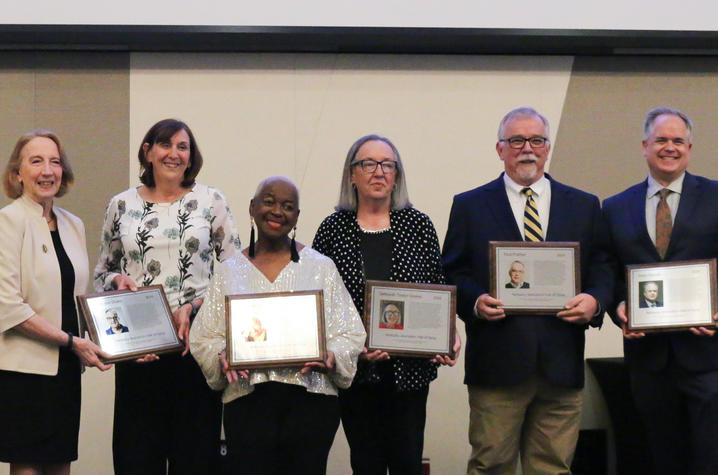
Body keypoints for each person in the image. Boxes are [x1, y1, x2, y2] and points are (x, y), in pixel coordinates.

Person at [441, 107, 612, 474]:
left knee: (552, 468)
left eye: (536, 140)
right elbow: (452, 270)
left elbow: (602, 267)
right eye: (516, 140)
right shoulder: (469, 205)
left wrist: (595, 301)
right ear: (499, 148)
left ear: (548, 148)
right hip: (497, 364)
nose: (527, 149)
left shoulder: (583, 205)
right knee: (491, 465)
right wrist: (475, 302)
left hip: (561, 364)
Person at [190, 176, 365, 474]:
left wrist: (332, 355)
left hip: (311, 401)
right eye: (269, 201)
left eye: (288, 206)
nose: (277, 211)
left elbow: (349, 331)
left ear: (297, 216)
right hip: (247, 402)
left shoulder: (320, 266)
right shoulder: (229, 272)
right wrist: (222, 356)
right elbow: (204, 336)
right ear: (253, 207)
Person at [94, 119, 241, 474]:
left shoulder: (211, 200)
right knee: (136, 457)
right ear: (148, 151)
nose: (174, 154)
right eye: (165, 145)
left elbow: (235, 274)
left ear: (191, 157)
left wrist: (194, 306)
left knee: (194, 457)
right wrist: (118, 282)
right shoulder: (121, 204)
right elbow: (101, 274)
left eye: (182, 147)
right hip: (139, 353)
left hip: (196, 347)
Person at [312, 134, 461, 474]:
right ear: (352, 174)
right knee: (366, 463)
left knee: (407, 462)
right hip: (357, 372)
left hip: (409, 372)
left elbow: (437, 288)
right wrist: (351, 347)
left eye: (387, 164)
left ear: (396, 175)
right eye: (368, 163)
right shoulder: (333, 230)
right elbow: (322, 304)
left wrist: (448, 333)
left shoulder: (418, 225)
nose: (379, 171)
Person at [603, 107, 718, 474]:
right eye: (661, 140)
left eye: (678, 141)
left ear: (690, 147)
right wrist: (619, 306)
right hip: (648, 358)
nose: (670, 147)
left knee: (709, 456)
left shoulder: (716, 196)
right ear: (645, 146)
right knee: (660, 456)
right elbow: (608, 270)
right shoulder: (615, 207)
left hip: (707, 355)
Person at [0, 130, 111, 474]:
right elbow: (8, 307)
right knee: (29, 466)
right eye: (36, 161)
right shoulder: (7, 222)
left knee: (61, 463)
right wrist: (71, 341)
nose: (47, 170)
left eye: (55, 161)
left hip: (65, 367)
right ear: (18, 173)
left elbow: (76, 297)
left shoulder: (73, 224)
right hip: (23, 371)